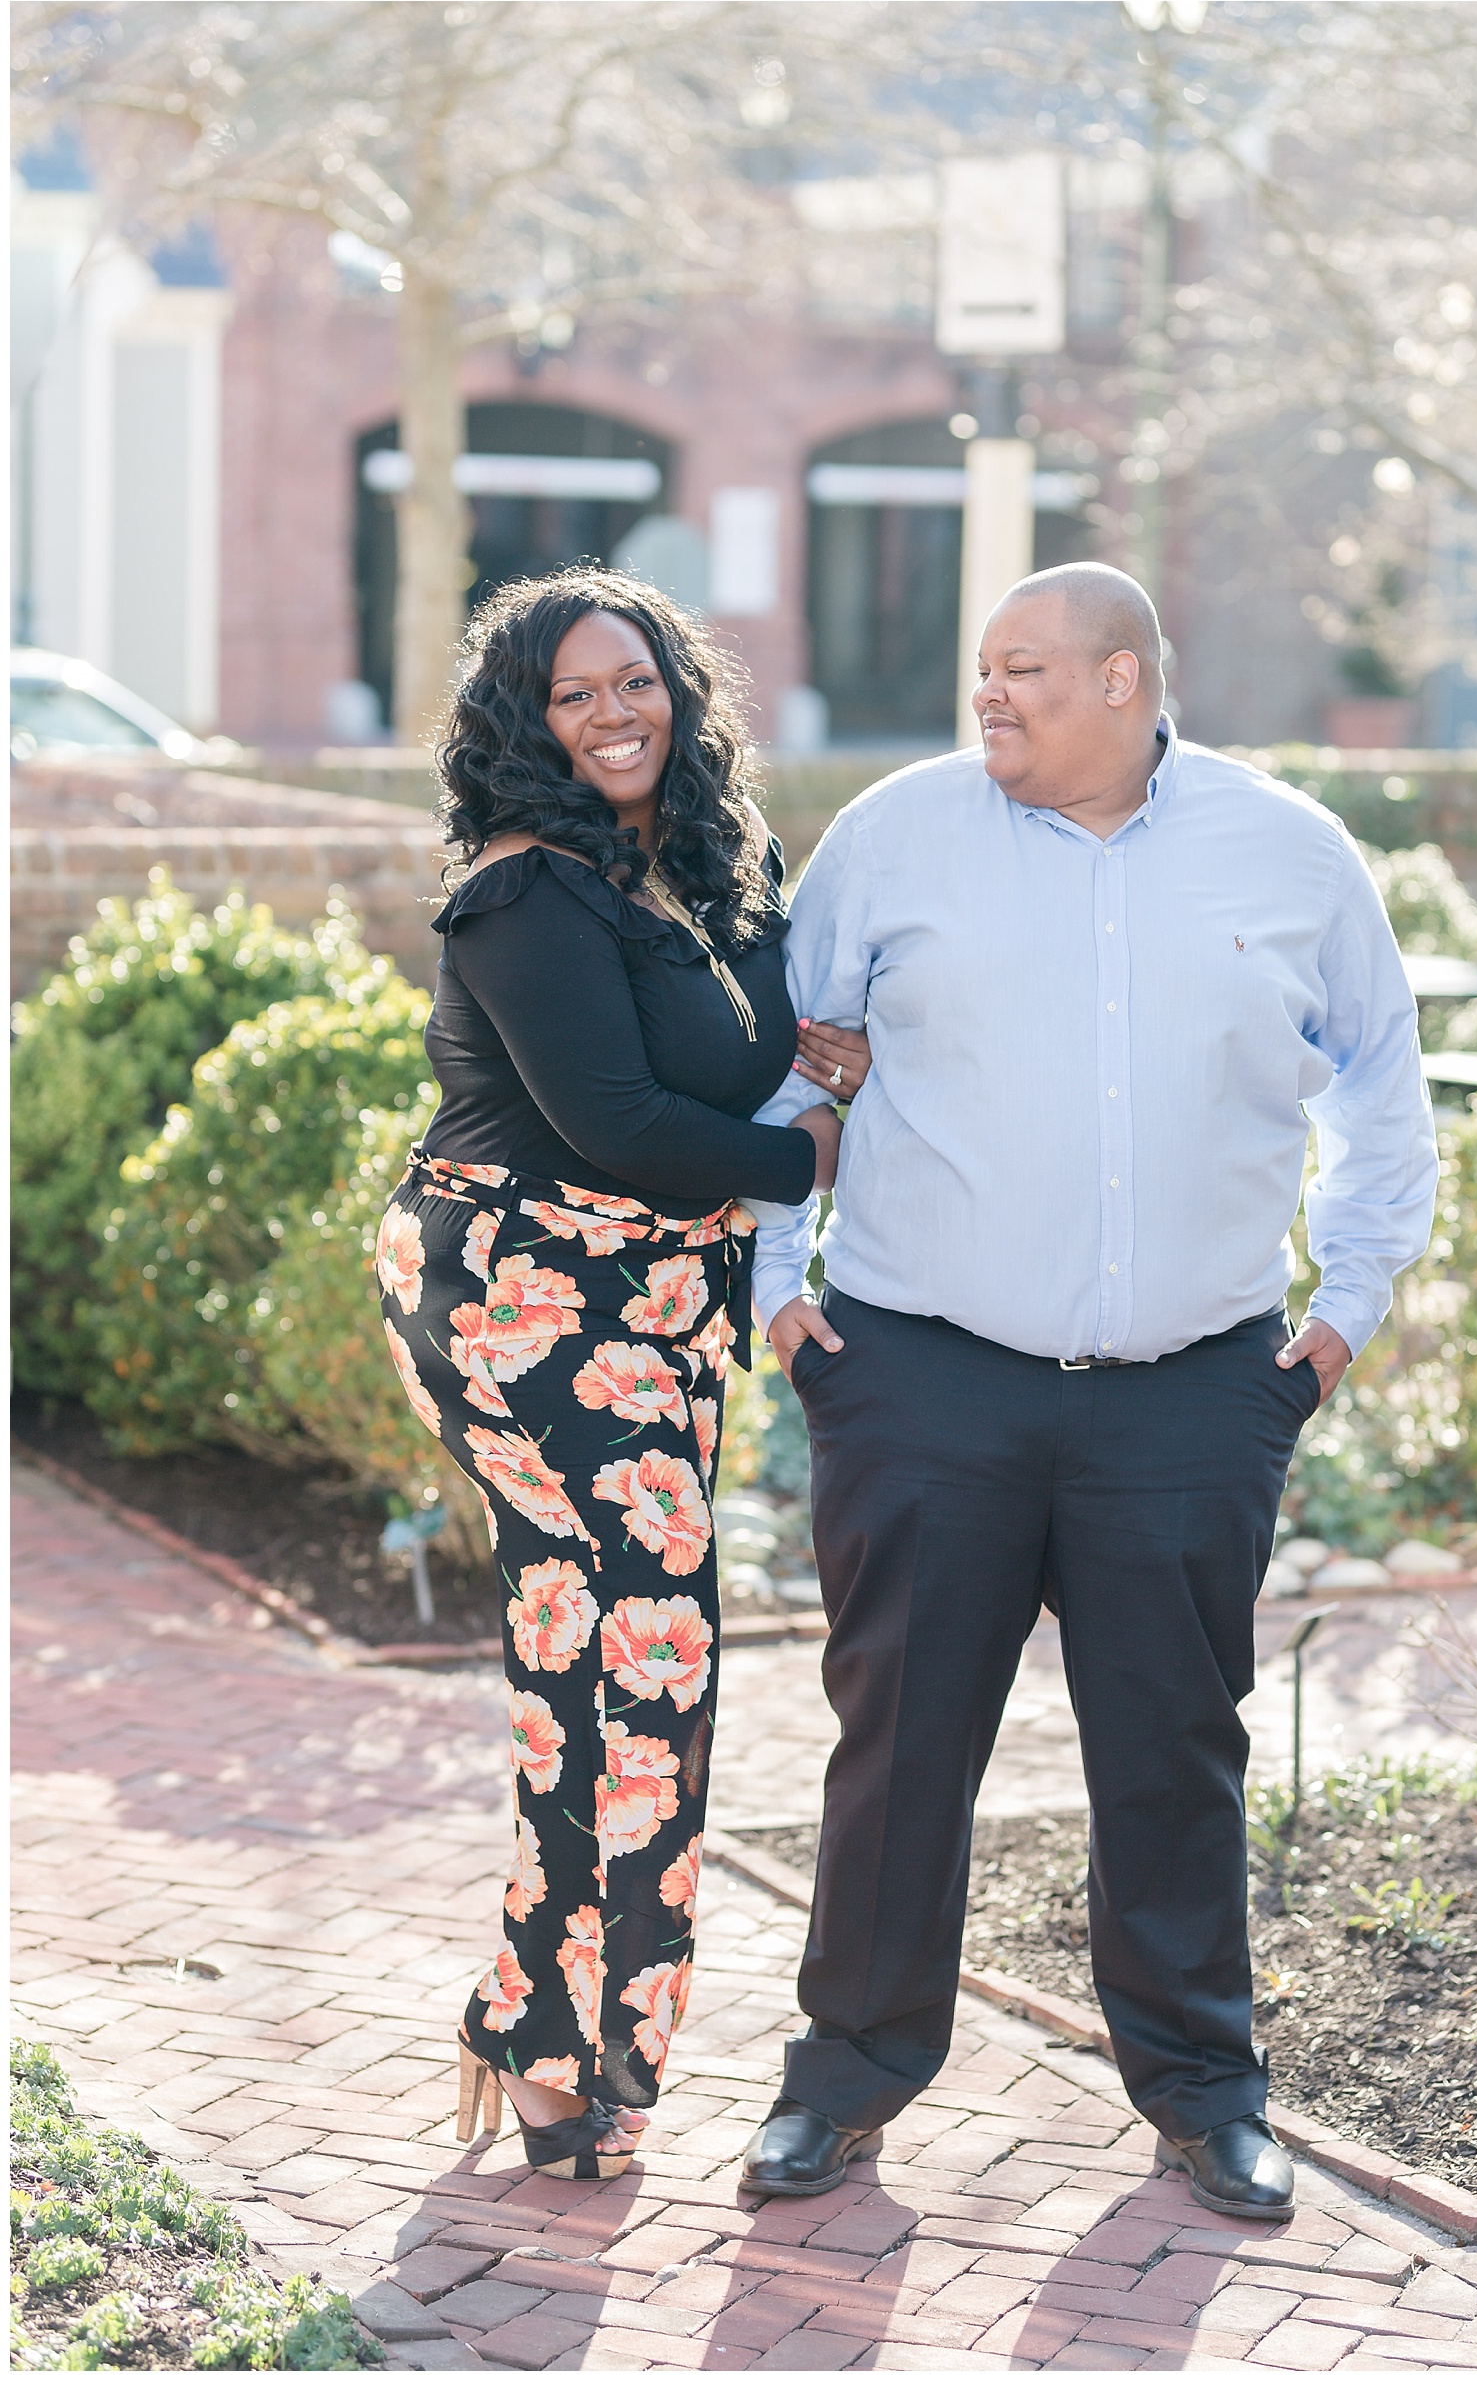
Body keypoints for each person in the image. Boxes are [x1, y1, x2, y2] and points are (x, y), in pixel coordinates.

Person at [740, 562, 1438, 2216]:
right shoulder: (897, 837)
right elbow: (788, 1056)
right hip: (920, 1379)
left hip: (1193, 1396)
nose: (990, 694)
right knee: (899, 1746)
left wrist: (1341, 1312)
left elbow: (1381, 1088)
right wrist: (781, 1288)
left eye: (1027, 669)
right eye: (985, 669)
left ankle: (1205, 2090)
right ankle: (842, 2081)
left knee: (1175, 1750)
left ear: (1126, 680)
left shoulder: (1287, 852)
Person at [376, 567, 868, 2181]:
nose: (614, 714)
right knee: (624, 1654)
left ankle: (556, 2028)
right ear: (527, 721)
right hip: (514, 1289)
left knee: (638, 1660)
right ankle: (543, 2031)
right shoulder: (527, 889)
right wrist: (808, 1147)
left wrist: (822, 1059)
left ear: (680, 686)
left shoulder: (715, 864)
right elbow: (621, 1123)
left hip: (655, 1295)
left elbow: (760, 1043)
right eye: (575, 694)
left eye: (636, 680)